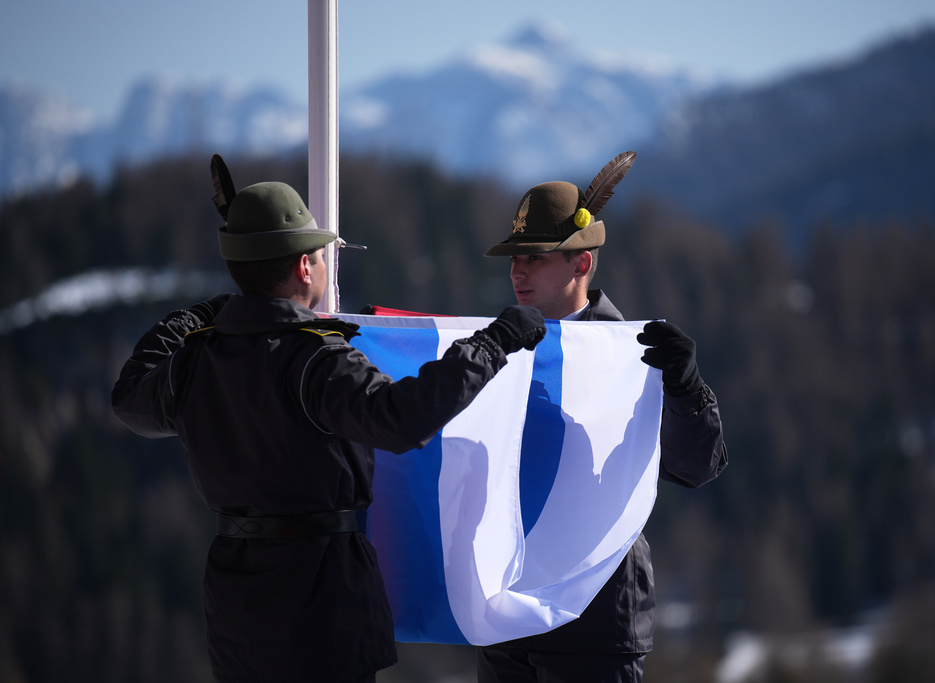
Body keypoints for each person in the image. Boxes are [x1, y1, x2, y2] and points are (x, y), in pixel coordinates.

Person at [110, 159, 547, 683]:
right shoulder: (315, 359)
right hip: (321, 603)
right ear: (302, 269)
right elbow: (401, 419)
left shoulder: (197, 360)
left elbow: (130, 394)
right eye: (318, 254)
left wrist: (200, 315)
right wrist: (492, 343)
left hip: (238, 606)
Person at [476, 151, 728, 682]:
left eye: (536, 256)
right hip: (508, 610)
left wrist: (684, 387)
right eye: (514, 258)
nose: (518, 270)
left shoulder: (637, 355)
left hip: (596, 615)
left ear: (581, 264)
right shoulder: (499, 347)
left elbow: (698, 465)